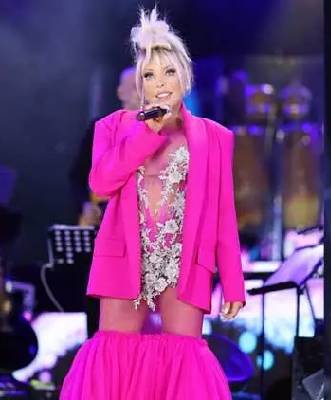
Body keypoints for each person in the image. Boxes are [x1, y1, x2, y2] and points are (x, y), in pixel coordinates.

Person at [61, 8, 245, 400]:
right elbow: (100, 184)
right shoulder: (113, 127)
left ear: (185, 76)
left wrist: (233, 281)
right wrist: (146, 134)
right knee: (115, 356)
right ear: (140, 84)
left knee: (185, 359)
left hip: (184, 262)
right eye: (149, 75)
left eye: (169, 72)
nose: (160, 83)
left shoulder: (215, 137)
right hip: (126, 256)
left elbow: (223, 213)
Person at [69, 66, 140, 227]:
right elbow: (77, 176)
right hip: (104, 219)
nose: (142, 93)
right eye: (136, 87)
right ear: (121, 92)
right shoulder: (101, 127)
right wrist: (85, 205)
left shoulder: (161, 132)